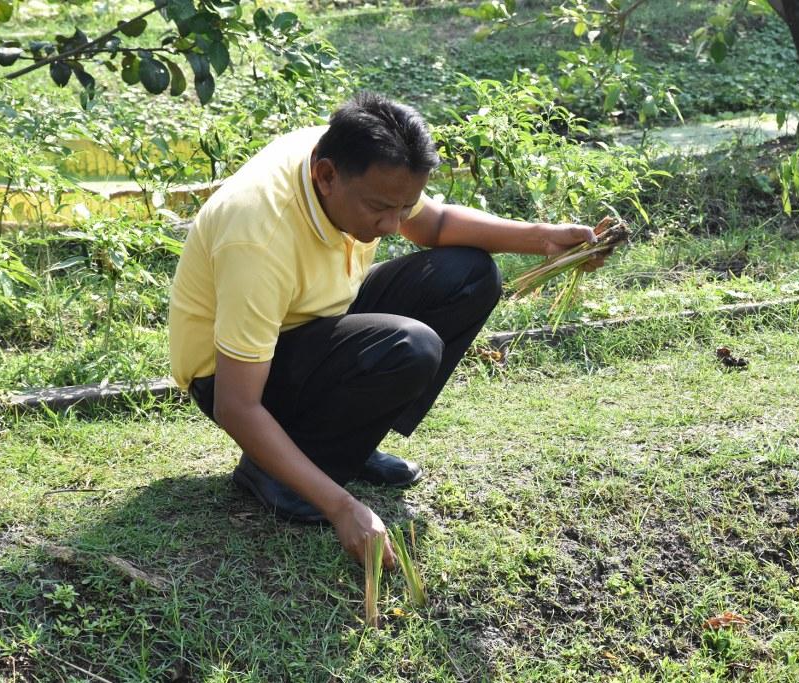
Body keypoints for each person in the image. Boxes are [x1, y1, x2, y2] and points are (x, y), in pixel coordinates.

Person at [169, 92, 605, 568]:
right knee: (409, 347)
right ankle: (273, 474)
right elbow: (237, 404)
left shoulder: (359, 162)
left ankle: (348, 444)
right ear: (326, 176)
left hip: (312, 326)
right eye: (380, 209)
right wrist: (343, 508)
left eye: (404, 207)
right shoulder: (258, 233)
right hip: (232, 378)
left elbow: (434, 225)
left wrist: (543, 239)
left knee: (471, 276)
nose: (394, 226)